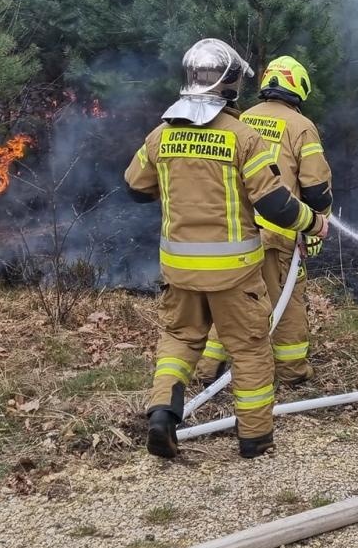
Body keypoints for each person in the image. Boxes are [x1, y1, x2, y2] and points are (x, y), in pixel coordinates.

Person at [124, 38, 328, 460]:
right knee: (250, 348)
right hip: (233, 272)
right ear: (231, 84)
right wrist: (313, 222)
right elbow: (275, 203)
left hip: (179, 270)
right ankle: (254, 439)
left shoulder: (162, 135)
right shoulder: (240, 137)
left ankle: (163, 413)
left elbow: (135, 187)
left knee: (179, 340)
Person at [198, 56, 333, 386]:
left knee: (233, 300)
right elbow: (316, 186)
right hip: (279, 232)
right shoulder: (301, 126)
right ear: (299, 86)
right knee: (286, 301)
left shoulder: (243, 119)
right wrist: (317, 220)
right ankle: (291, 371)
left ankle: (207, 365)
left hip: (238, 230)